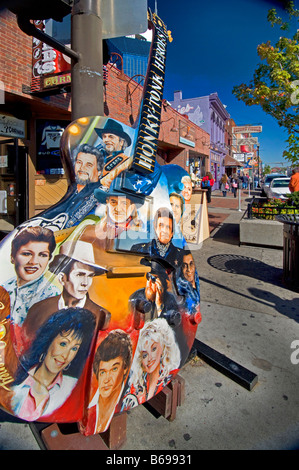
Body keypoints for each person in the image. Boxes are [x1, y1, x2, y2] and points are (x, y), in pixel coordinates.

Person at [11, 307, 96, 421]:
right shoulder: (16, 381)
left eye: (74, 348)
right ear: (49, 341)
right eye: (63, 344)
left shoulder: (72, 387)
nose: (65, 356)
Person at [23, 240, 111, 342]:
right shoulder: (39, 310)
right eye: (80, 275)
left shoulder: (100, 315)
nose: (85, 283)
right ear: (62, 278)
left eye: (90, 276)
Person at [2, 226, 59, 329]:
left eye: (42, 255)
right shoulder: (4, 288)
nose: (33, 261)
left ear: (49, 259)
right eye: (27, 254)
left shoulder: (52, 296)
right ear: (12, 257)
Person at [40, 143, 105, 229]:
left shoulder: (100, 194)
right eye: (79, 162)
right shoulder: (73, 190)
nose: (82, 167)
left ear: (99, 172)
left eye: (89, 165)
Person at [84, 329, 133, 434]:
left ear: (125, 368)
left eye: (114, 369)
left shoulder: (129, 397)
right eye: (103, 372)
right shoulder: (89, 405)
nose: (107, 379)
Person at [124, 318, 181, 405]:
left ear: (163, 348)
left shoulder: (169, 374)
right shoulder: (136, 385)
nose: (150, 358)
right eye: (145, 355)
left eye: (154, 349)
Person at [129, 260, 181, 327]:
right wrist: (147, 300)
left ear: (162, 282)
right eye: (149, 277)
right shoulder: (138, 295)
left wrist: (159, 306)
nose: (151, 282)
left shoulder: (170, 298)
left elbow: (171, 326)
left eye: (155, 279)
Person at [94, 119, 133, 189]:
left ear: (121, 142)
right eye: (104, 136)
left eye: (111, 137)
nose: (106, 140)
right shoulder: (96, 156)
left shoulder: (126, 162)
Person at [176, 250, 200, 315]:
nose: (189, 269)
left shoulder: (195, 281)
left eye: (191, 264)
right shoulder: (182, 286)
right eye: (184, 265)